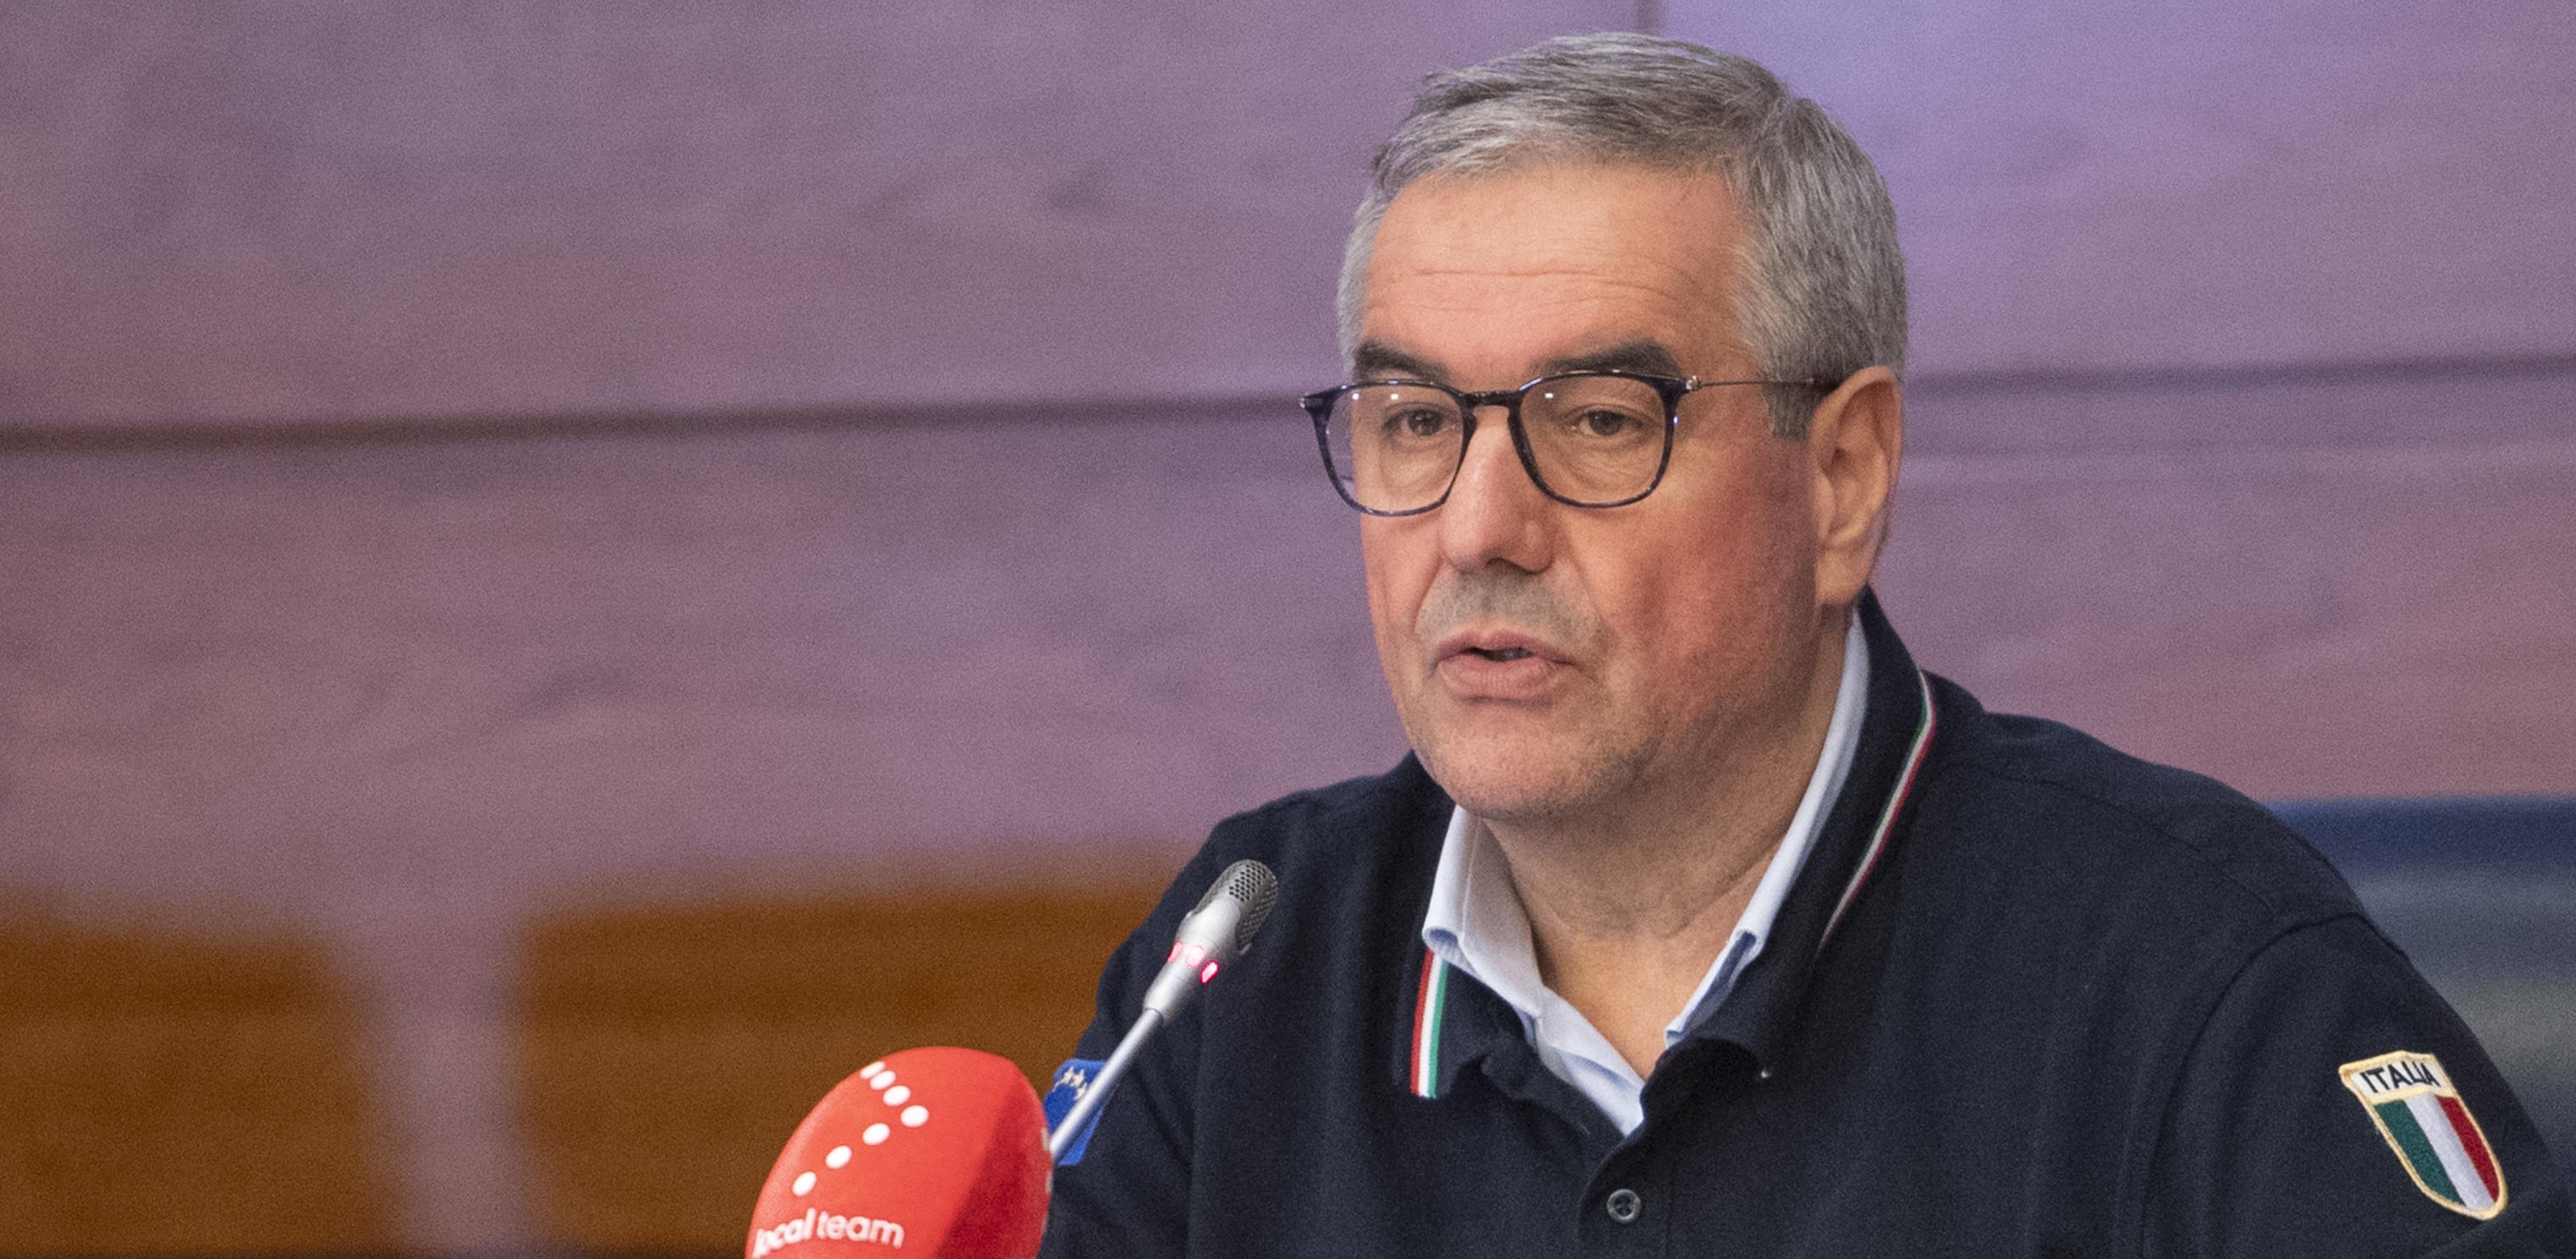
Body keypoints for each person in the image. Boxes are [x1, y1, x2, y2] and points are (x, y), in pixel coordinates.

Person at [1038, 32, 2574, 1257]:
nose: (1475, 526)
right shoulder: (1245, 960)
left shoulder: (2195, 974)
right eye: (1417, 421)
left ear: (1841, 478)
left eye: (1595, 421)